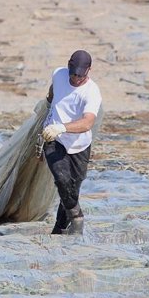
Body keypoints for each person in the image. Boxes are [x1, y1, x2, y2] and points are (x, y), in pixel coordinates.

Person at [42, 49, 102, 235]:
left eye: (80, 75)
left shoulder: (91, 92)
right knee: (62, 180)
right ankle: (77, 219)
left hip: (79, 145)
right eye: (73, 73)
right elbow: (53, 91)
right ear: (68, 66)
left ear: (88, 70)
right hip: (54, 139)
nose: (75, 78)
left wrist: (63, 127)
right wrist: (48, 104)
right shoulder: (58, 74)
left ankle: (59, 230)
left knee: (72, 189)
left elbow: (88, 122)